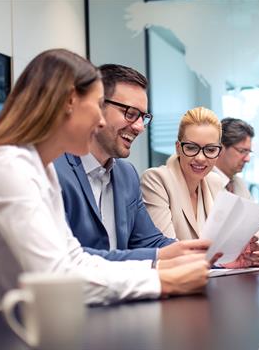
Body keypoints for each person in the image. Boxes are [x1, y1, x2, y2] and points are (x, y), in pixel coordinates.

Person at [0, 49, 209, 326]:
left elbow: (74, 259)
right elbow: (55, 278)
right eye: (96, 106)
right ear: (69, 101)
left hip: (18, 329)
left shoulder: (39, 169)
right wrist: (161, 279)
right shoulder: (9, 168)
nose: (99, 120)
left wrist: (158, 268)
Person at [54, 64, 209, 262]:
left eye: (143, 117)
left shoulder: (126, 175)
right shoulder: (53, 171)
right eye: (130, 113)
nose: (138, 127)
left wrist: (216, 257)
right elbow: (67, 258)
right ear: (97, 107)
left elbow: (151, 242)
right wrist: (158, 257)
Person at [141, 107, 259, 268]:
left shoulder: (214, 181)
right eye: (191, 147)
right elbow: (167, 251)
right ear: (178, 147)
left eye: (210, 150)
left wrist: (250, 250)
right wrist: (221, 261)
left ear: (218, 152)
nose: (200, 158)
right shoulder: (156, 180)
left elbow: (229, 240)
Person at [213, 117, 254, 199]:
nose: (247, 159)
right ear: (220, 148)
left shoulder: (239, 184)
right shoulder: (204, 184)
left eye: (248, 152)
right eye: (242, 151)